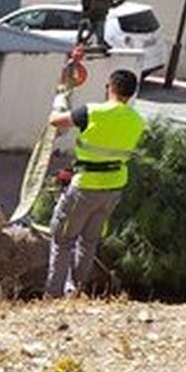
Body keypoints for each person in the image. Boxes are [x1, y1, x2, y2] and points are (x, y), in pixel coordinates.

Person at [45, 67, 146, 298]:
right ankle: (77, 291)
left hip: (86, 186)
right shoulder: (137, 121)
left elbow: (56, 121)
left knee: (62, 240)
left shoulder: (93, 111)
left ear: (110, 87)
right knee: (89, 241)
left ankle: (52, 296)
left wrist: (61, 97)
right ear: (130, 93)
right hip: (113, 188)